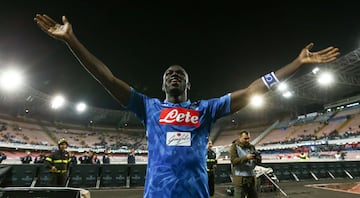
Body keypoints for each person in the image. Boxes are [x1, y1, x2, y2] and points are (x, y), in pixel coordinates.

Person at [34, 14, 339, 198]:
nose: (174, 75)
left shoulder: (205, 109)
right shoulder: (148, 107)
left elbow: (251, 90)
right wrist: (71, 40)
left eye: (180, 73)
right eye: (168, 74)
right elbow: (108, 79)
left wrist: (296, 63)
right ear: (163, 84)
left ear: (188, 84)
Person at [229, 130, 262, 198]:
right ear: (240, 137)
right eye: (245, 138)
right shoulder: (234, 147)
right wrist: (246, 158)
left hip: (251, 177)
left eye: (248, 138)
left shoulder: (252, 147)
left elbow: (257, 162)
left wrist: (258, 158)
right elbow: (234, 161)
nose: (247, 140)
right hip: (240, 178)